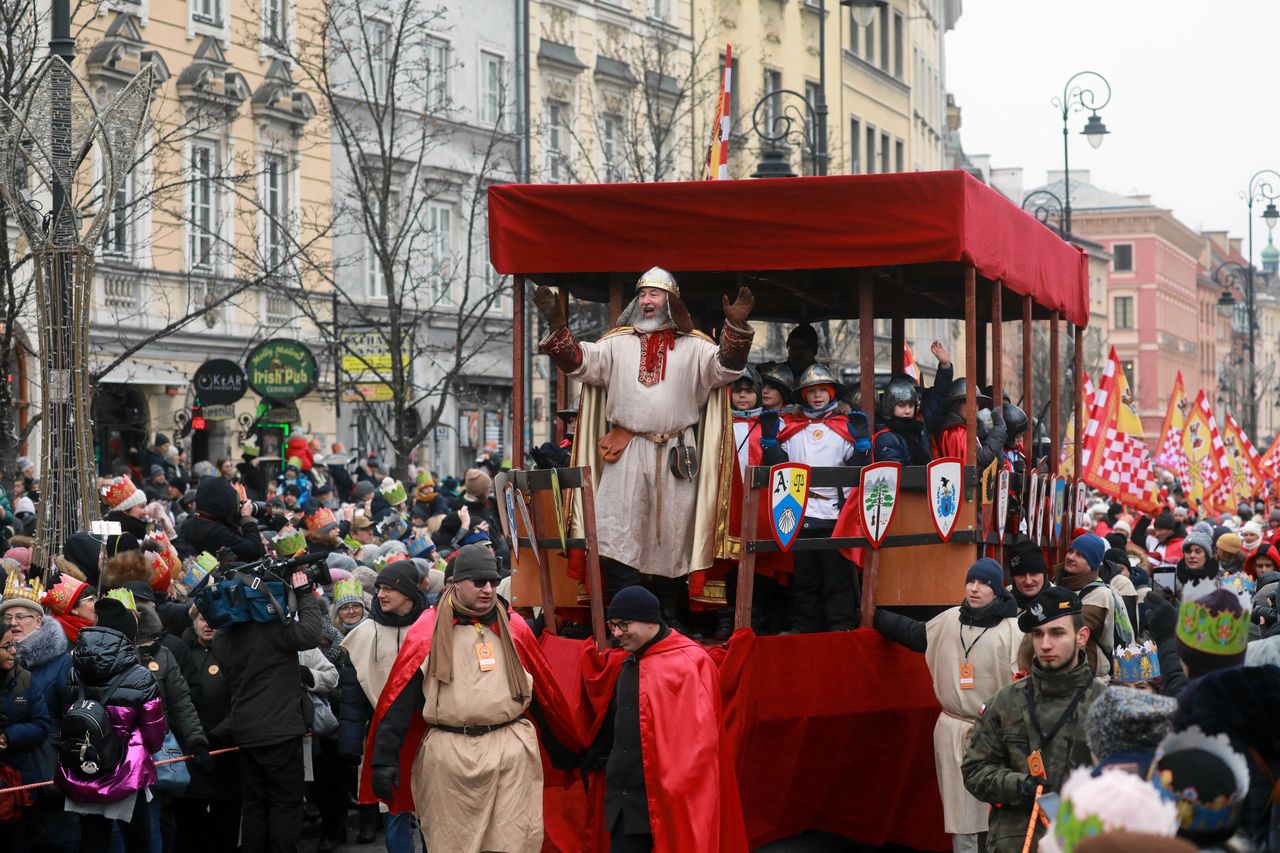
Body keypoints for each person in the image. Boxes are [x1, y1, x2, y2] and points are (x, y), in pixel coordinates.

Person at [534, 268, 755, 619]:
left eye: (655, 294)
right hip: (626, 452)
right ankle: (625, 614)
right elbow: (579, 364)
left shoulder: (697, 346)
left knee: (674, 534)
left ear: (672, 301)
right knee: (615, 531)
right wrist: (557, 324)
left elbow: (725, 371)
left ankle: (668, 617)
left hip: (677, 454)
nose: (648, 301)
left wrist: (737, 332)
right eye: (644, 294)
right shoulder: (615, 343)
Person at [365, 545, 582, 853]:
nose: (488, 589)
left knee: (514, 843)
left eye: (493, 581)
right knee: (452, 845)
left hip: (510, 753)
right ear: (456, 584)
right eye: (479, 582)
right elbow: (401, 698)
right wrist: (384, 760)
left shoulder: (513, 626)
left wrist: (563, 748)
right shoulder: (427, 631)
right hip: (449, 758)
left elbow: (543, 697)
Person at [579, 585, 747, 852]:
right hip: (624, 803)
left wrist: (675, 789)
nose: (617, 633)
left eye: (624, 624)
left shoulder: (689, 663)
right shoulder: (626, 661)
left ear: (650, 621)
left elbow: (698, 747)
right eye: (613, 626)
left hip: (667, 800)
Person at [873, 559, 1022, 853]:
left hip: (995, 733)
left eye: (984, 584)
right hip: (952, 729)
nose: (975, 589)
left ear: (997, 591)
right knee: (960, 812)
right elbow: (918, 635)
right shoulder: (950, 619)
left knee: (999, 810)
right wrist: (876, 617)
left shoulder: (1013, 630)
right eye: (971, 582)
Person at [961, 587, 1106, 853]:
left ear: (1082, 636)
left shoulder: (1107, 706)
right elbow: (974, 772)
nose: (1045, 644)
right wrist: (1022, 786)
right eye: (1038, 634)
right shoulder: (1004, 703)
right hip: (1016, 842)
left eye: (1057, 633)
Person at [210, 567, 324, 853]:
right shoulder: (273, 630)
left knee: (255, 806)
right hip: (281, 732)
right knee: (285, 805)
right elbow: (311, 633)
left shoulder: (223, 637)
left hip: (246, 733)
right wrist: (304, 594)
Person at [56, 598, 166, 853]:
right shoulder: (139, 675)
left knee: (92, 840)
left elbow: (67, 714)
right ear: (128, 636)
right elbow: (154, 731)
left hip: (83, 766)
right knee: (138, 840)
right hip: (126, 769)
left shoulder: (75, 669)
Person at [338, 561, 427, 852]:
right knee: (395, 812)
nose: (380, 595)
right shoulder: (364, 634)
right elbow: (352, 695)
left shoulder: (430, 627)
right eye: (379, 589)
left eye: (388, 589)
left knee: (434, 811)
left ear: (408, 591)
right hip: (385, 736)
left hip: (429, 732)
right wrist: (350, 742)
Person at [778, 364, 870, 632]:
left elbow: (856, 469)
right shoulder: (790, 427)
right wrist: (770, 444)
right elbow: (777, 464)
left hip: (834, 512)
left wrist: (862, 447)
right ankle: (803, 625)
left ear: (831, 393)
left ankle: (838, 624)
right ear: (803, 395)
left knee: (836, 574)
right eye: (811, 391)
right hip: (799, 509)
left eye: (822, 390)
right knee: (805, 574)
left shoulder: (845, 426)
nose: (817, 396)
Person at [174, 605, 240, 853]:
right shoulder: (182, 652)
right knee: (190, 821)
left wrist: (217, 735)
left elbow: (241, 701)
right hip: (189, 750)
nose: (207, 624)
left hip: (226, 749)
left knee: (226, 821)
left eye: (213, 619)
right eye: (203, 618)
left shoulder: (233, 652)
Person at [0, 621, 54, 847]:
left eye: (13, 645)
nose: (13, 651)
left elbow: (41, 725)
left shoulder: (26, 680)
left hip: (19, 781)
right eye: (6, 646)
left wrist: (8, 736)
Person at [1054, 533, 1117, 677]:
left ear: (1093, 564)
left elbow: (1071, 627)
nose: (1070, 557)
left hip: (1088, 675)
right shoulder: (1057, 583)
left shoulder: (1100, 594)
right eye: (1071, 551)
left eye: (1080, 555)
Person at [178, 476, 265, 562]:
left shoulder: (187, 524)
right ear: (223, 502)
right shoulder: (217, 532)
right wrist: (247, 518)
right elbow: (254, 550)